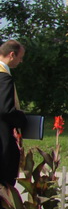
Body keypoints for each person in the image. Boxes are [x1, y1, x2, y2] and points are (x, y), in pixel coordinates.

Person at [0, 40, 28, 190]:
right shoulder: (4, 77)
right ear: (12, 54)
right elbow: (5, 110)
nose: (21, 61)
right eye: (20, 57)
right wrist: (22, 119)